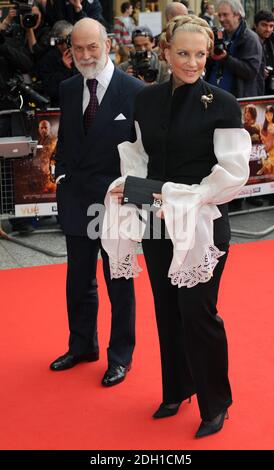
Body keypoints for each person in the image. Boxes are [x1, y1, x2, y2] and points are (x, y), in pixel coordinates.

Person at [102, 15, 251, 437]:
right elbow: (137, 156)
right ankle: (177, 389)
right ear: (165, 52)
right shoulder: (145, 100)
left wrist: (183, 198)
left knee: (198, 312)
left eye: (200, 54)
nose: (192, 63)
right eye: (183, 53)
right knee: (166, 309)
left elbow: (232, 173)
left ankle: (216, 402)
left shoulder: (223, 103)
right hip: (155, 221)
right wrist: (129, 187)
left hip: (202, 223)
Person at [50, 18, 144, 387]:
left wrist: (135, 196)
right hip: (77, 198)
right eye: (78, 49)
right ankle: (82, 346)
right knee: (78, 279)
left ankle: (120, 356)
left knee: (118, 280)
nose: (86, 55)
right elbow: (68, 139)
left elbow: (144, 153)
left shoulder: (135, 91)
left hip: (116, 202)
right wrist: (60, 173)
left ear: (108, 44)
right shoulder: (69, 88)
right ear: (69, 51)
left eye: (92, 47)